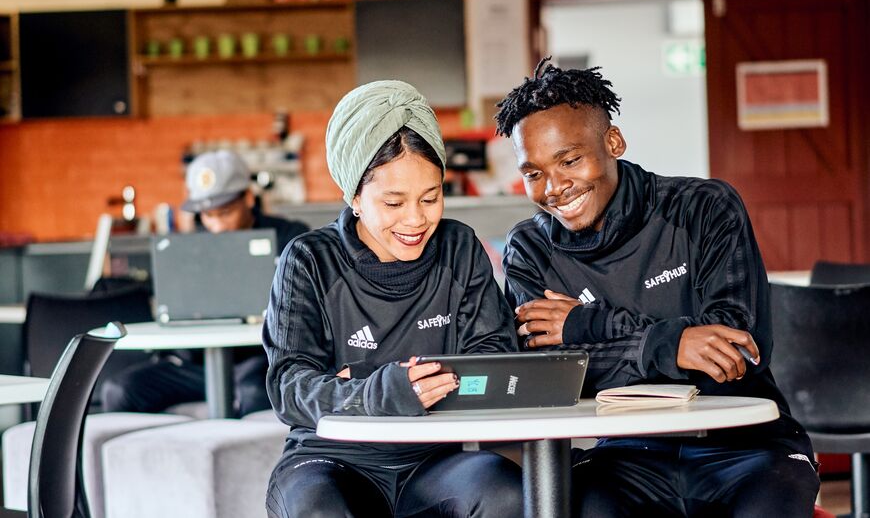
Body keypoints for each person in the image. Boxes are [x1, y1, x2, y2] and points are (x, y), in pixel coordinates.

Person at [495, 59, 820, 516]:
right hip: (626, 454)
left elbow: (734, 350)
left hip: (749, 447)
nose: (555, 187)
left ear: (613, 141)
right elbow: (546, 374)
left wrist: (588, 326)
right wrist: (672, 344)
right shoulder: (529, 249)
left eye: (570, 160)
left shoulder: (703, 208)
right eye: (534, 173)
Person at [263, 80, 523, 518]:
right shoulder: (309, 260)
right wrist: (379, 390)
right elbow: (289, 387)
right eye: (394, 202)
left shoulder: (458, 248)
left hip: (433, 460)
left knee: (506, 492)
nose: (416, 219)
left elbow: (495, 357)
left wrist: (356, 376)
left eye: (430, 197)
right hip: (329, 459)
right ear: (355, 197)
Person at [101, 149, 309, 417]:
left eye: (224, 212)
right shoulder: (187, 249)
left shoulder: (291, 238)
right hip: (195, 364)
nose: (216, 225)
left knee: (256, 393)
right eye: (207, 215)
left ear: (248, 197)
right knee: (118, 391)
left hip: (260, 360)